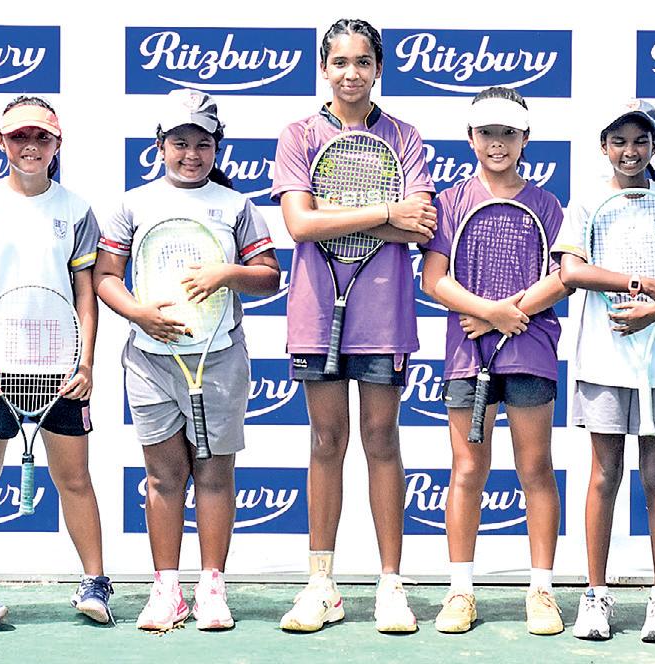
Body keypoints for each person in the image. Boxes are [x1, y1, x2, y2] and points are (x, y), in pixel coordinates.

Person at [270, 18, 437, 634]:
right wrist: (385, 212)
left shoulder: (405, 136)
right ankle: (321, 585)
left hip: (385, 314)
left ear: (378, 68)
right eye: (339, 62)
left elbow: (419, 226)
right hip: (317, 311)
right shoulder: (298, 135)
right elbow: (300, 226)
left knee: (383, 441)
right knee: (324, 441)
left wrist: (347, 214)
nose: (350, 74)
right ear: (324, 67)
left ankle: (391, 587)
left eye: (362, 62)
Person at [94, 89, 280, 632]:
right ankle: (167, 589)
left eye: (203, 143)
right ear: (160, 145)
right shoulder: (132, 203)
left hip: (218, 360)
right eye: (179, 143)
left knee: (215, 473)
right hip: (151, 360)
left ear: (217, 148)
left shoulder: (237, 207)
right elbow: (106, 276)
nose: (191, 154)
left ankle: (212, 588)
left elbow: (270, 276)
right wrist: (139, 315)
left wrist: (227, 274)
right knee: (163, 476)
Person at [553, 99, 655, 642]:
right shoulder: (587, 202)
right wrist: (640, 286)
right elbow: (572, 271)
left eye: (640, 141)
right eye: (618, 141)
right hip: (603, 357)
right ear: (604, 146)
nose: (630, 151)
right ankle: (596, 596)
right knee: (603, 474)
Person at [0, 96, 112, 629]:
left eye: (42, 138)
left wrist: (85, 363)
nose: (30, 146)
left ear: (57, 145)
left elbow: (85, 293)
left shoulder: (77, 210)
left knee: (76, 481)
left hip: (61, 371)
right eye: (19, 137)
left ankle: (95, 583)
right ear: (2, 143)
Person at [420, 87, 573, 635]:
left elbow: (562, 278)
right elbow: (433, 279)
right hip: (468, 355)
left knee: (535, 470)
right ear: (470, 138)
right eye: (487, 133)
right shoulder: (451, 201)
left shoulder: (549, 205)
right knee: (467, 471)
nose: (497, 143)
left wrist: (506, 315)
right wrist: (487, 313)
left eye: (508, 133)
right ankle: (460, 592)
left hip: (530, 352)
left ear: (525, 138)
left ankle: (542, 591)